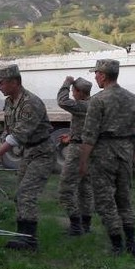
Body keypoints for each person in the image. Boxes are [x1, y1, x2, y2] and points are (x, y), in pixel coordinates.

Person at [0, 64, 54, 251]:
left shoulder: (30, 103)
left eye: (2, 83)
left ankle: (29, 241)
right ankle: (22, 235)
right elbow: (8, 130)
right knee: (20, 195)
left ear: (14, 82)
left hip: (42, 153)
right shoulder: (9, 102)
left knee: (26, 194)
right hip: (28, 152)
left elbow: (19, 135)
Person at [79, 59, 135, 256]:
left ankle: (117, 244)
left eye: (96, 73)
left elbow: (89, 134)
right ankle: (132, 242)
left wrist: (83, 162)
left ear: (103, 75)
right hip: (125, 151)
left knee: (105, 200)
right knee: (124, 199)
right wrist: (132, 155)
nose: (95, 77)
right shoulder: (134, 99)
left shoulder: (98, 100)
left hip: (103, 153)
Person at [56, 76, 95, 236]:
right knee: (85, 188)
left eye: (73, 91)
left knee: (65, 189)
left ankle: (75, 226)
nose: (72, 94)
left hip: (78, 151)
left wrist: (67, 82)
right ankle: (86, 225)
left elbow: (62, 101)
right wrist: (72, 136)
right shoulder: (93, 104)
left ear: (80, 92)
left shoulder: (83, 105)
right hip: (88, 148)